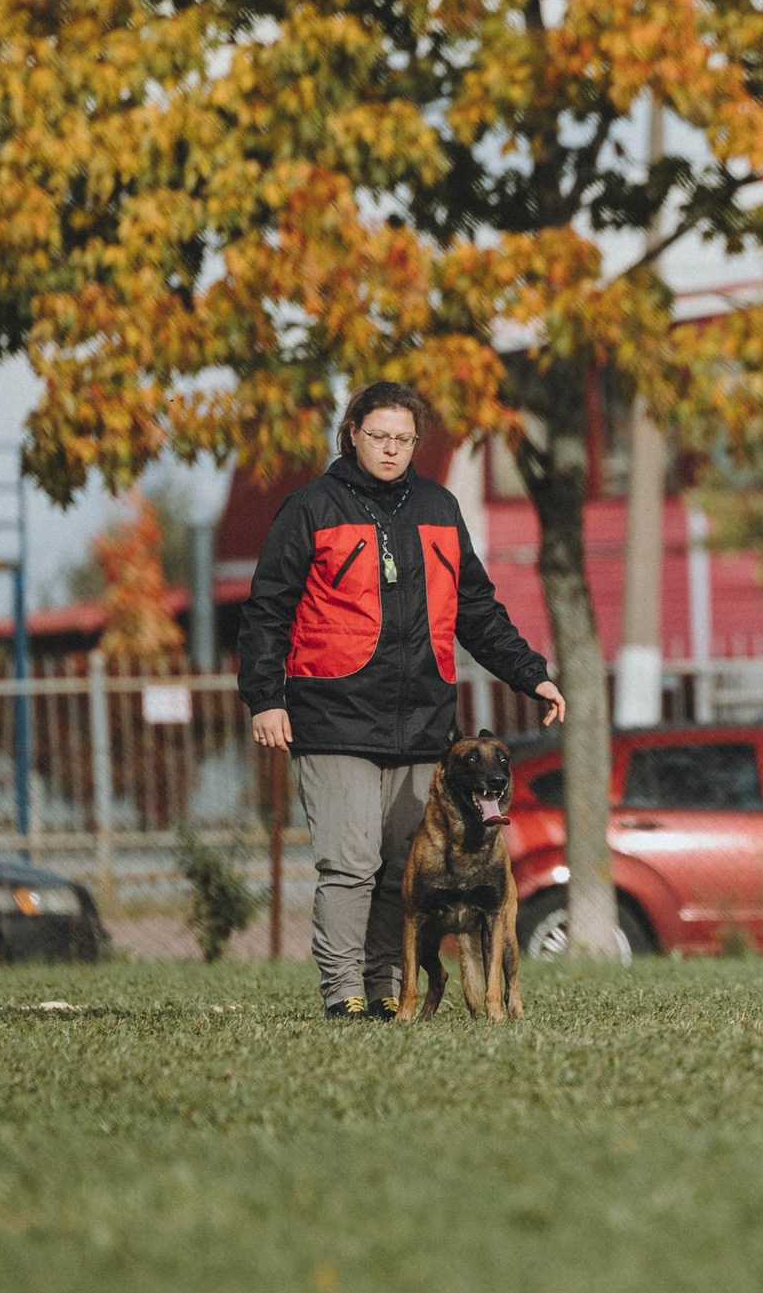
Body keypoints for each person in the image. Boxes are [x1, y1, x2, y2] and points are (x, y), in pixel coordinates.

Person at [239, 382, 565, 1020]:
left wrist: (532, 674)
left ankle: (387, 993)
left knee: (398, 870)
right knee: (350, 863)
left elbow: (476, 609)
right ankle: (342, 995)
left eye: (403, 439)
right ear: (352, 433)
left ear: (416, 443)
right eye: (379, 436)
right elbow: (266, 611)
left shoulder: (439, 507)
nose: (391, 449)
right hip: (332, 719)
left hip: (423, 728)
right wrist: (265, 699)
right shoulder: (311, 507)